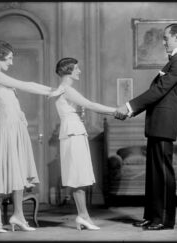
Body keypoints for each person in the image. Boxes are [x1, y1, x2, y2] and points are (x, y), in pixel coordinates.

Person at [115, 23, 177, 230]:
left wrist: (129, 106)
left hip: (165, 123)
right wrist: (131, 111)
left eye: (166, 38)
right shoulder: (175, 61)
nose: (164, 42)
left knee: (162, 173)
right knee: (153, 174)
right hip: (158, 122)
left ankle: (164, 220)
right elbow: (158, 93)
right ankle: (151, 216)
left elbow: (158, 90)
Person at [0, 40, 63, 233]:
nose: (11, 62)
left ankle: (17, 215)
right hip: (8, 129)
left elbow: (13, 103)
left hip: (17, 128)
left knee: (17, 173)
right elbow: (25, 85)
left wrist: (21, 115)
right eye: (9, 58)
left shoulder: (1, 76)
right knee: (9, 172)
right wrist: (52, 91)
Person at [54, 57, 116, 230]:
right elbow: (90, 105)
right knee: (77, 176)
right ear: (68, 70)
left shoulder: (64, 89)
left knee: (78, 176)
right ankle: (83, 216)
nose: (79, 71)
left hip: (74, 132)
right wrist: (116, 111)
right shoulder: (66, 89)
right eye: (77, 68)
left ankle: (83, 216)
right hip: (73, 133)